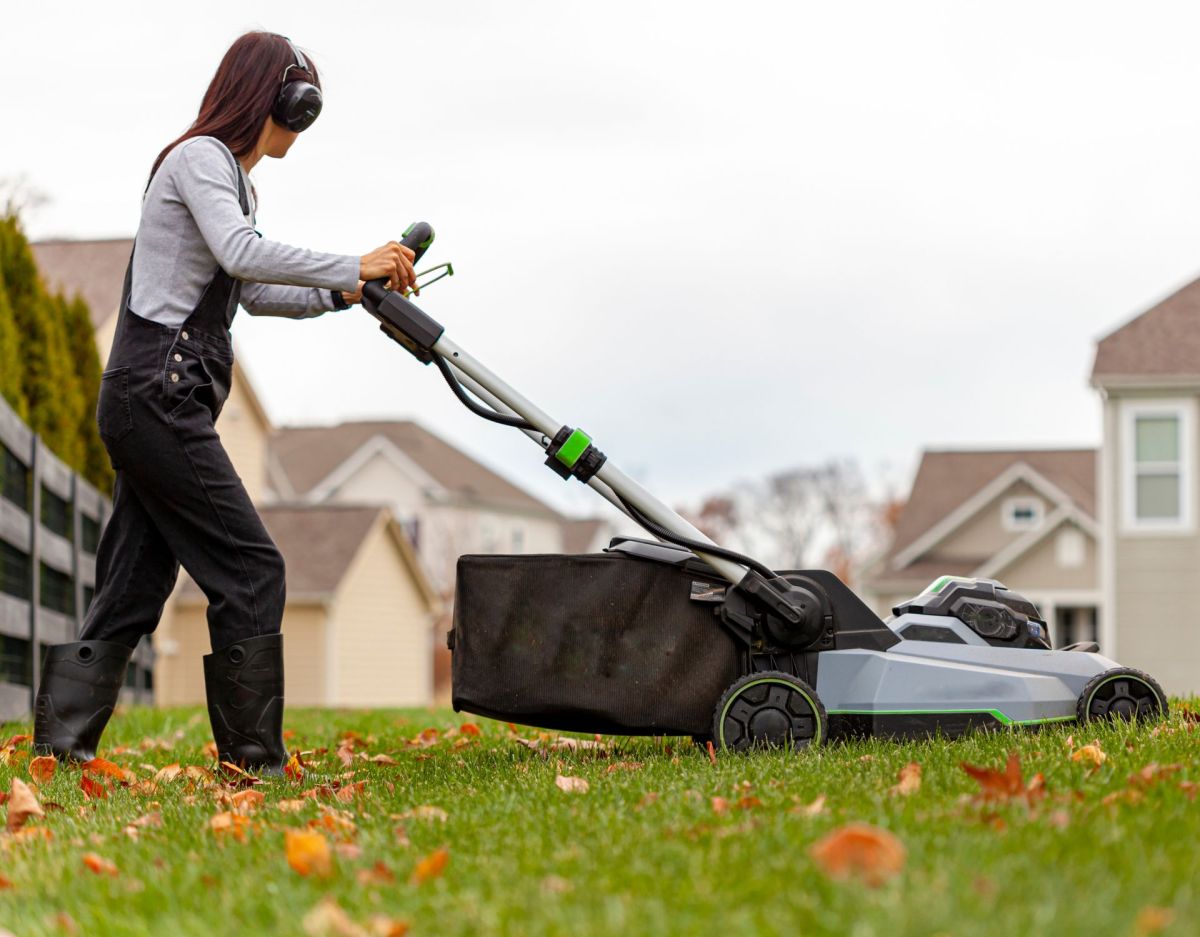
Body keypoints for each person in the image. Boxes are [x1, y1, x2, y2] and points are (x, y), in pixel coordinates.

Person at [32, 31, 416, 772]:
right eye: (298, 106)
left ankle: (59, 748)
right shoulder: (198, 159)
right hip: (158, 395)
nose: (301, 125)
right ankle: (252, 761)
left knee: (134, 582)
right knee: (252, 568)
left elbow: (256, 287)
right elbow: (242, 252)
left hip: (161, 399)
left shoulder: (236, 182)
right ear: (270, 97)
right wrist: (349, 259)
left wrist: (350, 289)